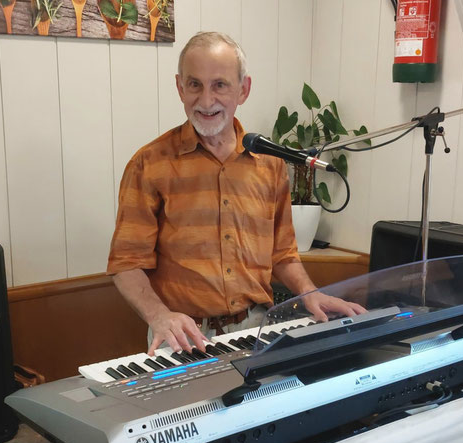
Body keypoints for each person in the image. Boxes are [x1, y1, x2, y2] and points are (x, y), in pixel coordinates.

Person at [107, 31, 364, 358]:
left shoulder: (270, 163)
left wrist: (309, 293)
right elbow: (126, 263)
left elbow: (282, 253)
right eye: (194, 84)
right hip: (182, 334)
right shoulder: (149, 164)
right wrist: (160, 316)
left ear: (243, 89)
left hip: (258, 328)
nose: (206, 100)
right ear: (179, 87)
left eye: (220, 85)